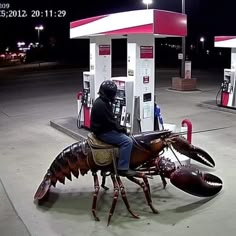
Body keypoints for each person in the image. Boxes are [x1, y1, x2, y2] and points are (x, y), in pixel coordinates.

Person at [90, 80, 136, 177]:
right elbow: (111, 123)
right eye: (113, 95)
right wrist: (123, 130)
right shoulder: (102, 105)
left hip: (102, 129)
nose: (114, 97)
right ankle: (123, 168)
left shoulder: (101, 101)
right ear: (109, 94)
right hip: (103, 132)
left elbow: (111, 121)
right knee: (127, 141)